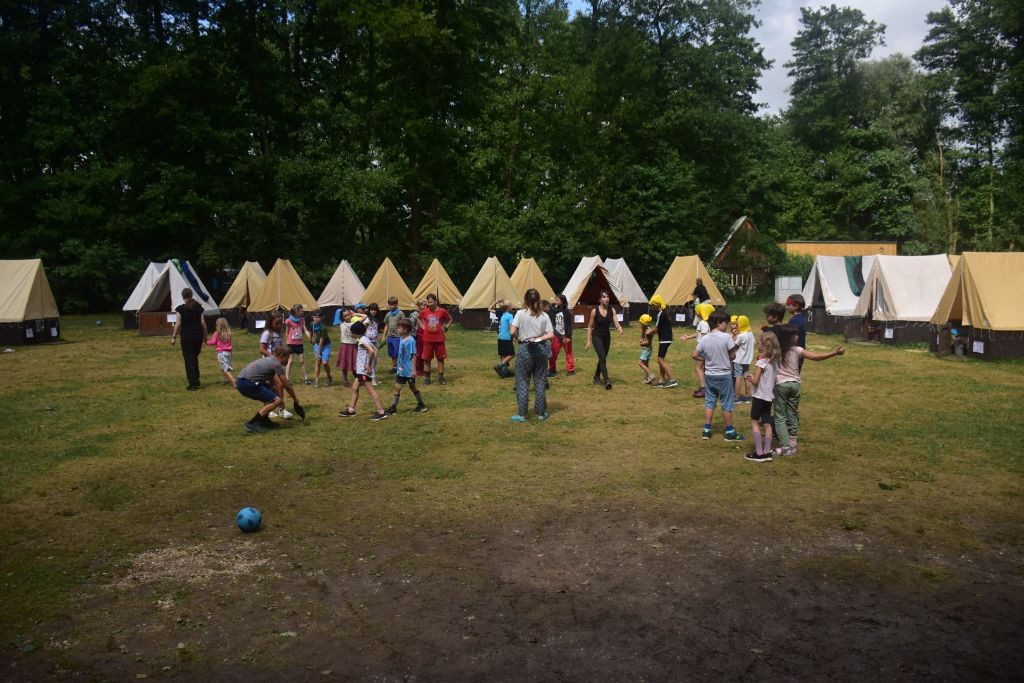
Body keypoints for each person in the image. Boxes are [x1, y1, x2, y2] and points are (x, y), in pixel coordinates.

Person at [773, 325, 845, 456]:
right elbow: (816, 357)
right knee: (792, 414)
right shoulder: (797, 350)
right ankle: (793, 445)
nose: (797, 336)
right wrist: (834, 353)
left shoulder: (776, 351)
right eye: (795, 335)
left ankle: (785, 446)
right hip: (795, 385)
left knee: (780, 416)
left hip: (781, 385)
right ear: (790, 338)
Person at [694, 311, 743, 441]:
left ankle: (706, 430)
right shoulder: (726, 337)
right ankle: (729, 432)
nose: (727, 325)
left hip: (709, 375)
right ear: (718, 323)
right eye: (725, 323)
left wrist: (706, 359)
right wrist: (727, 357)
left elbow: (695, 355)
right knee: (727, 403)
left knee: (710, 402)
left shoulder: (705, 338)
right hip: (724, 374)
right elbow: (733, 355)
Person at [510, 288, 555, 422]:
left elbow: (512, 331)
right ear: (539, 299)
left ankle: (522, 414)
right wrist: (539, 338)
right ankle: (541, 413)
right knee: (540, 381)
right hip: (541, 348)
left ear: (525, 299)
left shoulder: (520, 313)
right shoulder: (544, 315)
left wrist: (519, 337)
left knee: (522, 381)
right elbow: (551, 334)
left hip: (525, 349)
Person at [235, 347, 303, 433]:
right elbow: (287, 386)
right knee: (276, 400)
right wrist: (296, 401)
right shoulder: (277, 364)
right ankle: (252, 423)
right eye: (287, 358)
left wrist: (280, 399)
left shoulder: (270, 359)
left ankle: (264, 420)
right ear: (281, 356)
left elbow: (276, 385)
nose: (288, 360)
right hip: (247, 383)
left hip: (242, 381)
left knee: (272, 394)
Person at [338, 320, 389, 421]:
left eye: (352, 332)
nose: (351, 334)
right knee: (354, 388)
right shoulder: (365, 339)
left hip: (364, 371)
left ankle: (381, 412)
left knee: (371, 391)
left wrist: (369, 365)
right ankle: (351, 410)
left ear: (356, 332)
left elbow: (371, 351)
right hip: (361, 371)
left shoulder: (362, 341)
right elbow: (375, 350)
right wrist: (372, 363)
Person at [744, 331, 781, 462]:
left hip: (759, 396)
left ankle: (759, 453)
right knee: (767, 423)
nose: (757, 345)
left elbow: (756, 381)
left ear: (765, 346)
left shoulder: (761, 363)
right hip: (769, 397)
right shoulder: (775, 362)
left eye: (759, 343)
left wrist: (750, 377)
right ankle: (767, 451)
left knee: (755, 422)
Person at [386, 319, 427, 415]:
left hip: (409, 370)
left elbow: (413, 355)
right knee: (397, 387)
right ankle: (393, 407)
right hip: (401, 369)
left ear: (405, 329)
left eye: (399, 328)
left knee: (412, 387)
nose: (397, 329)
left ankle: (421, 404)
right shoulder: (401, 339)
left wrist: (413, 370)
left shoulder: (411, 340)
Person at [170, 287, 208, 391]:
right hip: (198, 336)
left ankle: (193, 384)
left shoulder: (180, 309)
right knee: (194, 357)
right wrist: (205, 336)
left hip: (187, 337)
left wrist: (173, 337)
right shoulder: (199, 308)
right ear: (191, 295)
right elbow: (203, 323)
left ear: (183, 297)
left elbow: (178, 324)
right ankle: (197, 379)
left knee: (189, 360)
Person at [585, 290, 623, 389]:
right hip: (596, 336)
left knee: (603, 358)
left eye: (607, 297)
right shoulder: (595, 311)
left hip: (607, 337)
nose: (607, 298)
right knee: (602, 357)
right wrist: (588, 341)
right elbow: (590, 326)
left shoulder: (612, 310)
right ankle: (607, 380)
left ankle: (596, 376)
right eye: (604, 297)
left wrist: (619, 327)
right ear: (600, 300)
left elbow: (616, 323)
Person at [679, 303, 713, 395]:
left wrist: (699, 349)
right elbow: (698, 333)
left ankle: (703, 388)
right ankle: (708, 388)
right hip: (707, 348)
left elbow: (705, 337)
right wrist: (688, 337)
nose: (696, 312)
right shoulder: (707, 322)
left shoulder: (703, 323)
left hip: (703, 349)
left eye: (697, 311)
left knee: (698, 367)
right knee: (706, 368)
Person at [420, 293, 452, 385]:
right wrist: (422, 326)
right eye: (428, 302)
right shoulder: (425, 311)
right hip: (427, 339)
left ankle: (441, 378)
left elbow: (450, 319)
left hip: (439, 339)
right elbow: (418, 317)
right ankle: (427, 378)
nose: (429, 304)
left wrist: (447, 327)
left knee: (440, 359)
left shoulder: (441, 311)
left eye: (431, 302)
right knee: (427, 359)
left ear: (435, 302)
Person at [647, 295, 678, 388]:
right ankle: (661, 381)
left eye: (653, 305)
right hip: (665, 339)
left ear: (656, 305)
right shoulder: (664, 312)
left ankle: (672, 380)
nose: (652, 306)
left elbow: (656, 329)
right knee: (661, 360)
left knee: (659, 360)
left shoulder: (661, 314)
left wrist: (649, 332)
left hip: (665, 339)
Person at [548, 294, 575, 377]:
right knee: (553, 353)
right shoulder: (553, 311)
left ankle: (570, 370)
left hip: (565, 336)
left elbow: (569, 325)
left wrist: (568, 336)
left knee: (569, 353)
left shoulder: (567, 311)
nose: (555, 301)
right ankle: (552, 369)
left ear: (562, 301)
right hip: (556, 336)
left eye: (557, 300)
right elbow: (551, 324)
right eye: (555, 299)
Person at [283, 304, 312, 384]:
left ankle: (306, 378)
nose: (302, 312)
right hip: (291, 344)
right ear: (295, 312)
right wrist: (286, 343)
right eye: (301, 311)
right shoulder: (288, 321)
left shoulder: (302, 320)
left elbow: (305, 330)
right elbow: (286, 332)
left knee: (302, 361)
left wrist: (310, 336)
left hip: (299, 344)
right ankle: (287, 378)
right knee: (290, 361)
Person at [205, 317, 236, 387]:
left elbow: (213, 342)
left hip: (221, 353)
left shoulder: (217, 333)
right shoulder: (229, 333)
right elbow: (230, 343)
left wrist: (206, 342)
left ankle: (233, 380)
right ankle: (226, 380)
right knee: (225, 366)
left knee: (225, 367)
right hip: (228, 352)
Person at [732, 315, 755, 403]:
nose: (736, 326)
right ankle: (747, 396)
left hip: (739, 360)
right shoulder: (751, 334)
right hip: (747, 360)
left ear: (741, 325)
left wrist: (734, 335)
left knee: (738, 378)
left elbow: (734, 346)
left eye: (738, 324)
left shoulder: (741, 336)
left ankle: (737, 397)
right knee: (746, 377)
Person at [381, 296, 407, 373]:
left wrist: (404, 335)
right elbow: (386, 325)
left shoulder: (400, 313)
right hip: (390, 337)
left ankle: (401, 367)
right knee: (392, 353)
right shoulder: (388, 314)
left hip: (398, 337)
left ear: (396, 304)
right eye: (390, 304)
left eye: (392, 304)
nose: (391, 306)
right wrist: (383, 336)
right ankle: (394, 367)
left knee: (398, 353)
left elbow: (404, 324)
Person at [492, 299, 515, 378]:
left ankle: (504, 372)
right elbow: (510, 327)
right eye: (511, 305)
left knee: (503, 354)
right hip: (506, 337)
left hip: (500, 337)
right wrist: (513, 336)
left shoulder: (503, 315)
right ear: (508, 307)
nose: (512, 306)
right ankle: (500, 366)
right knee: (511, 354)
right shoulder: (510, 316)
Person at [310, 310, 334, 387]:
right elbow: (311, 331)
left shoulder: (323, 327)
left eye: (318, 317)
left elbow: (321, 340)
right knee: (317, 362)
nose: (316, 319)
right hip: (317, 344)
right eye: (315, 317)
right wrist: (311, 338)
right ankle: (316, 380)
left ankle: (329, 377)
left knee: (325, 363)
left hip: (325, 345)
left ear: (321, 318)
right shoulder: (312, 324)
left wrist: (318, 353)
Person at [335, 309, 357, 387]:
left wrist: (354, 314)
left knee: (355, 363)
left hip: (353, 345)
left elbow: (365, 318)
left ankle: (358, 380)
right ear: (342, 317)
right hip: (345, 346)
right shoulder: (341, 324)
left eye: (348, 315)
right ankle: (345, 381)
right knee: (344, 364)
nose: (347, 317)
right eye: (345, 316)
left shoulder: (355, 323)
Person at [785, 294, 808, 367]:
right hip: (800, 352)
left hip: (793, 354)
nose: (787, 307)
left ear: (796, 306)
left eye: (788, 305)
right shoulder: (802, 318)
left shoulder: (794, 321)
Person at [637, 313, 655, 384]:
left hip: (647, 349)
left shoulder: (648, 332)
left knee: (640, 363)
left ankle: (651, 375)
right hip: (646, 349)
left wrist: (641, 344)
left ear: (644, 324)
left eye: (641, 323)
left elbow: (648, 343)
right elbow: (643, 337)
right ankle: (648, 379)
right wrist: (642, 338)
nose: (640, 324)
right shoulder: (645, 329)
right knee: (646, 364)